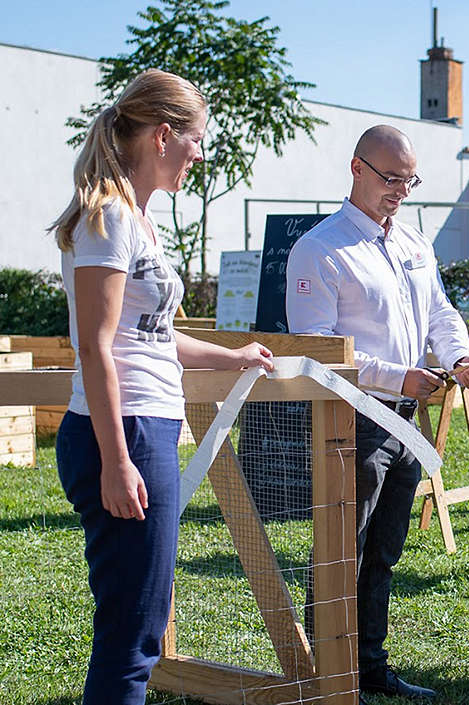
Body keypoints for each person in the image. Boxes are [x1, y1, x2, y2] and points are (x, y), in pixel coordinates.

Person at [49, 69, 274, 705]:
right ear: (164, 135)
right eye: (197, 141)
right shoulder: (110, 217)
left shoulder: (139, 219)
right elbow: (94, 344)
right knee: (133, 634)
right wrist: (117, 460)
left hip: (143, 427)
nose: (200, 155)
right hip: (122, 434)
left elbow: (149, 334)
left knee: (135, 626)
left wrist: (229, 356)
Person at [285, 124, 469, 701]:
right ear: (356, 169)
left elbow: (440, 314)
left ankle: (368, 666)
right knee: (340, 548)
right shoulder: (320, 248)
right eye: (391, 177)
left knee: (384, 551)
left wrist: (460, 354)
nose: (401, 190)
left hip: (403, 417)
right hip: (348, 419)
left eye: (410, 179)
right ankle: (326, 669)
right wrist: (395, 375)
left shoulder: (414, 243)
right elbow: (312, 347)